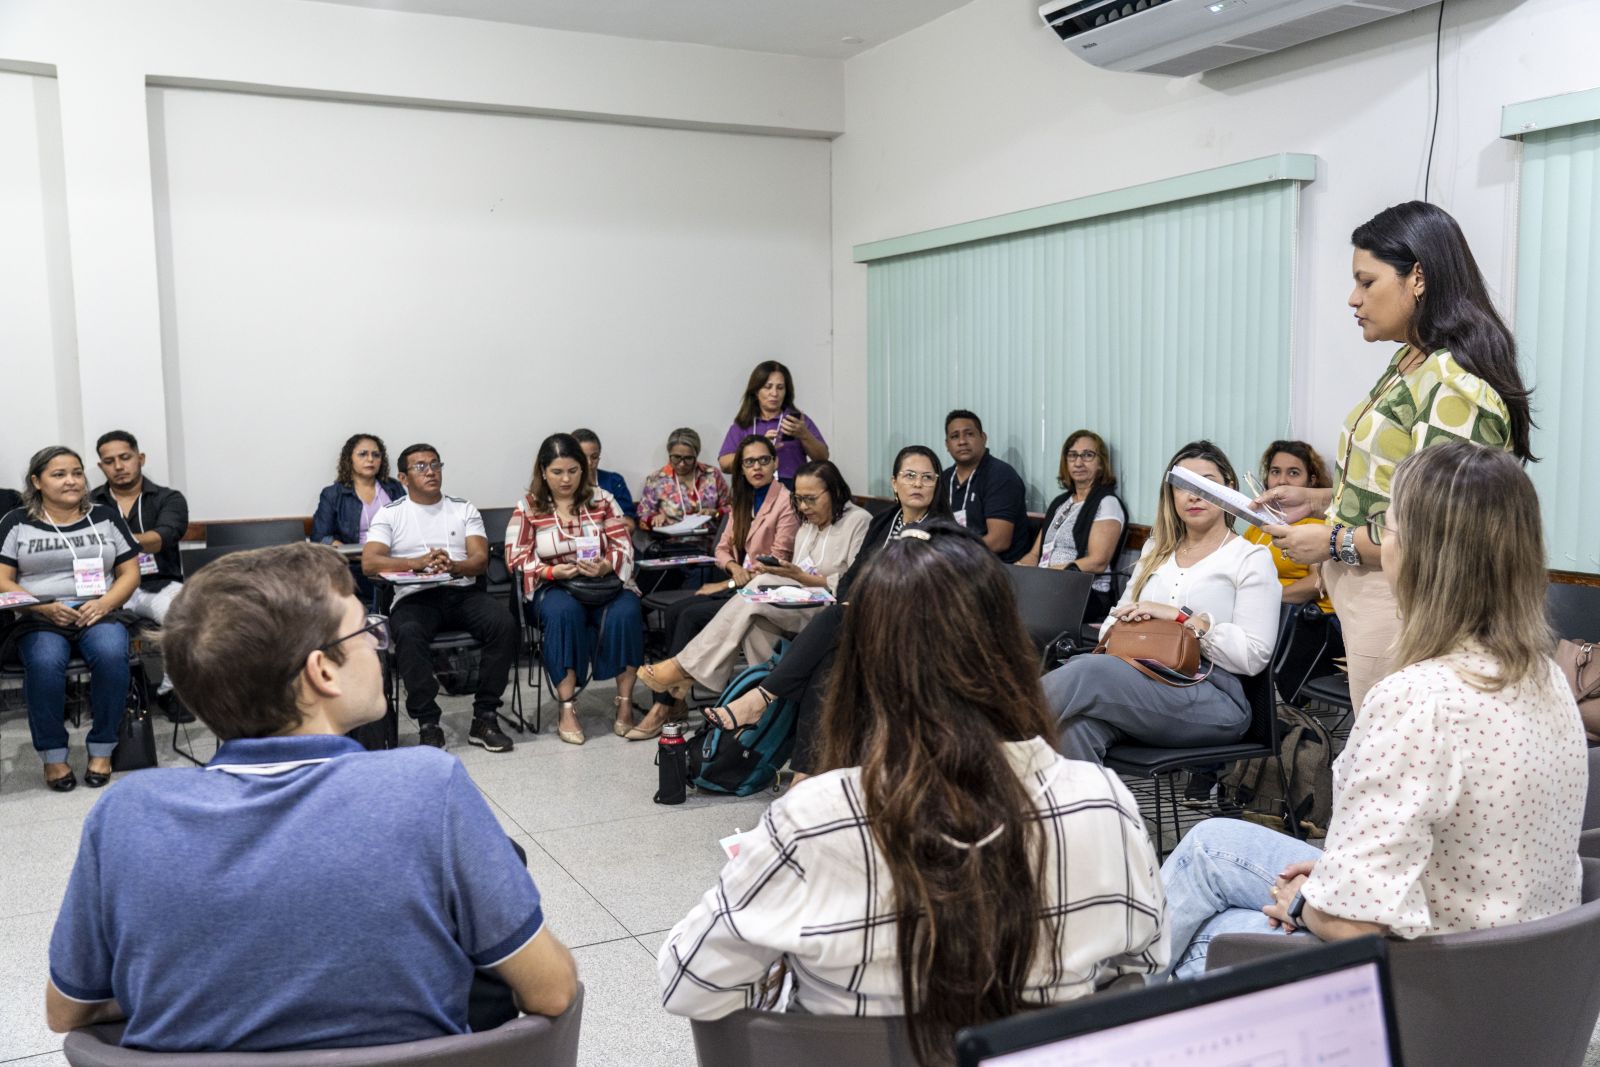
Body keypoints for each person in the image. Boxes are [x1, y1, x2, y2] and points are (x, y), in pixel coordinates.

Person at [658, 522, 1167, 1059]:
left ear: (857, 666)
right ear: (1009, 650)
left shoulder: (815, 819)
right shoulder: (1104, 803)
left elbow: (688, 981)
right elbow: (1142, 978)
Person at [45, 543, 578, 1050]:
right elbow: (552, 990)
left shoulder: (125, 814)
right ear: (322, 671)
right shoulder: (427, 785)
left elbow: (67, 1011)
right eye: (367, 630)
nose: (376, 642)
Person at [1160, 441, 1584, 978]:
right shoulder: (1545, 676)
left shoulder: (1416, 699)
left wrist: (1305, 902)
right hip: (1517, 970)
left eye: (1389, 528)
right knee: (1208, 843)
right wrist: (1333, 879)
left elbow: (1354, 925)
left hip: (1425, 986)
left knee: (1204, 939)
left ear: (1420, 556)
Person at [1257, 202, 1534, 711]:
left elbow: (1434, 533)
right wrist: (1317, 499)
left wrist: (1332, 541)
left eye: (1367, 281)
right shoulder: (1409, 360)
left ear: (1418, 278)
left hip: (1406, 602)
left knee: (1391, 765)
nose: (1353, 298)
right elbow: (1394, 486)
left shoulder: (1455, 385)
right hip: (1369, 594)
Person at [698, 445, 951, 777]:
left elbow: (935, 597)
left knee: (832, 618)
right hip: (864, 623)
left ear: (937, 484)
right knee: (827, 666)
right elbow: (849, 580)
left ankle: (761, 699)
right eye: (909, 476)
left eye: (927, 477)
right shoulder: (883, 523)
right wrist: (855, 601)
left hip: (913, 630)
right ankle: (803, 776)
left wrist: (864, 603)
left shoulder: (945, 531)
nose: (917, 484)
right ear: (894, 483)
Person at [1042, 441, 1280, 766]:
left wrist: (1180, 619)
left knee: (1090, 671)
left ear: (1230, 488)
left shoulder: (1250, 557)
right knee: (1074, 730)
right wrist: (1137, 624)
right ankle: (1090, 816)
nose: (1194, 495)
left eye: (1207, 482)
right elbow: (1109, 631)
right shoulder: (1157, 551)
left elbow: (1253, 657)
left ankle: (987, 736)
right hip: (1142, 681)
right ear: (1171, 494)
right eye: (1182, 486)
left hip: (1214, 697)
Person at [637, 461, 869, 738]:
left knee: (757, 592)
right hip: (796, 600)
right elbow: (799, 570)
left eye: (811, 499)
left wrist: (797, 577)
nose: (804, 507)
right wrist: (783, 571)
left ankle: (685, 668)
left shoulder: (859, 521)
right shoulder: (807, 524)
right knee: (756, 623)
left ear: (834, 492)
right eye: (798, 499)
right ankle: (769, 718)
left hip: (830, 609)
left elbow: (854, 584)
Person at [0, 447, 140, 791]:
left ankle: (102, 748)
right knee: (46, 661)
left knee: (111, 653)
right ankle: (54, 756)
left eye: (77, 472)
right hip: (41, 615)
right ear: (37, 481)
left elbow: (130, 573)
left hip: (98, 611)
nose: (71, 481)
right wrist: (40, 606)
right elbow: (3, 579)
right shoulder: (17, 521)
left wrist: (105, 604)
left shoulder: (105, 515)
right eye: (59, 474)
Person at [362, 443, 516, 754]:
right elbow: (370, 563)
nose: (431, 471)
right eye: (421, 467)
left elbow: (480, 560)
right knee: (406, 631)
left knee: (504, 623)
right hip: (415, 597)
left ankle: (484, 716)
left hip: (462, 592)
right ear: (403, 478)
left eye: (435, 464)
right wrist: (414, 563)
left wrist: (455, 565)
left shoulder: (463, 508)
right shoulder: (390, 514)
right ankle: (428, 724)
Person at [641, 434, 797, 720]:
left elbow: (779, 559)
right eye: (749, 462)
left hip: (762, 589)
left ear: (775, 462)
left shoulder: (785, 501)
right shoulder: (743, 498)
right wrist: (733, 570)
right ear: (741, 469)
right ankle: (675, 702)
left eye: (764, 460)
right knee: (676, 611)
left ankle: (663, 706)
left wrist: (727, 581)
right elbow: (722, 548)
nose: (757, 467)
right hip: (739, 583)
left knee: (689, 615)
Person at [504, 433, 643, 746]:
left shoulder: (603, 500)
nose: (566, 479)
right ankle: (567, 708)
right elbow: (515, 558)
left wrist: (607, 564)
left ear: (584, 469)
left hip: (602, 583)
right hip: (554, 587)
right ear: (543, 471)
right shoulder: (528, 507)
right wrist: (551, 570)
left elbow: (623, 545)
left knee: (628, 610)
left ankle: (624, 704)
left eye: (572, 471)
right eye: (557, 472)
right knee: (563, 613)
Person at [90, 430, 194, 722]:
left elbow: (163, 537)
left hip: (154, 584)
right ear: (101, 467)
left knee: (182, 612)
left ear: (140, 458)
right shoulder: (89, 503)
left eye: (125, 457)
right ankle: (110, 694)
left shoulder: (167, 498)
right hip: (106, 586)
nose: (119, 466)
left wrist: (110, 541)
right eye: (109, 461)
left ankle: (170, 691)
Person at [1016, 429, 1126, 622]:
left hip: (1084, 591)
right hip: (1046, 584)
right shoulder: (1060, 503)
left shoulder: (1106, 502)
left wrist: (1050, 573)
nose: (1078, 462)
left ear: (1101, 463)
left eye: (1088, 455)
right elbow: (1035, 555)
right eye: (1073, 455)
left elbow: (1098, 561)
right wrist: (1018, 571)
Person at [311, 433, 406, 609]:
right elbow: (320, 536)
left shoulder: (394, 489)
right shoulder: (333, 494)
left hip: (394, 562)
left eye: (376, 455)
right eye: (363, 454)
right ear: (349, 459)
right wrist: (359, 554)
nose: (370, 459)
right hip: (354, 566)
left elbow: (409, 526)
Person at [1241, 441, 1333, 612]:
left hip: (1301, 624)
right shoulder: (1257, 527)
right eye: (1275, 472)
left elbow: (1319, 582)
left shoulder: (1318, 525)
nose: (1282, 480)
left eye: (1293, 473)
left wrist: (1269, 598)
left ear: (1311, 481)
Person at [936, 409, 1030, 562]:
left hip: (996, 569)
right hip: (956, 564)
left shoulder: (1000, 475)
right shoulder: (944, 479)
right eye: (955, 436)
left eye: (969, 434)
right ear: (947, 444)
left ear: (983, 438)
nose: (962, 441)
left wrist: (953, 557)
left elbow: (999, 541)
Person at [716, 361, 828, 486]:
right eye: (768, 387)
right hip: (752, 489)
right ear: (756, 391)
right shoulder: (744, 424)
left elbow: (823, 458)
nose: (774, 394)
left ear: (786, 391)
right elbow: (724, 464)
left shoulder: (797, 421)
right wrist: (759, 448)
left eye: (780, 388)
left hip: (791, 488)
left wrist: (804, 435)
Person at [635, 427, 730, 533]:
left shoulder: (712, 475)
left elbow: (730, 508)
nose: (682, 464)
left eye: (688, 458)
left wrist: (716, 513)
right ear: (669, 453)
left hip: (710, 541)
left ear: (696, 455)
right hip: (670, 545)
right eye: (676, 457)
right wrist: (654, 519)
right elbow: (642, 515)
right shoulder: (657, 480)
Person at [570, 428, 637, 531]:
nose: (589, 463)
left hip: (609, 539)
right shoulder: (564, 485)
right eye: (582, 457)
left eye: (594, 457)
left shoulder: (614, 481)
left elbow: (629, 523)